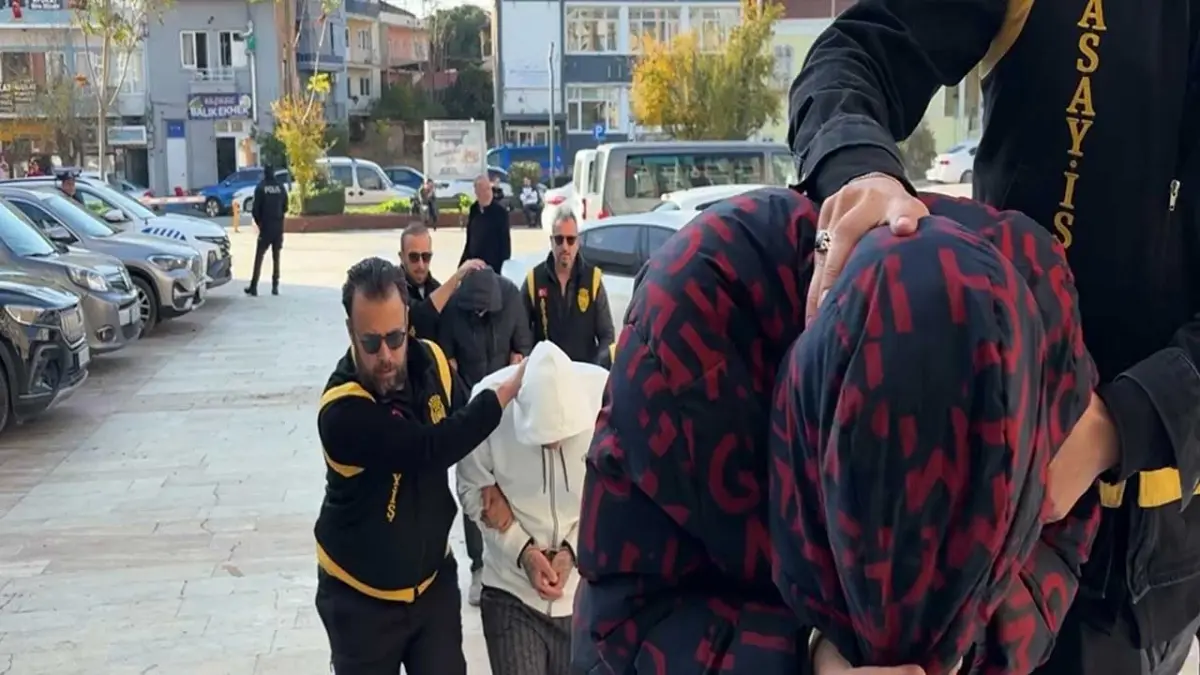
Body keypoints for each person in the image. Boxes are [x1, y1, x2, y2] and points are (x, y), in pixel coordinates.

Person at [787, 4, 1200, 673]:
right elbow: (854, 55)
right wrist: (862, 172)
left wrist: (1114, 426)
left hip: (1154, 561)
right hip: (980, 516)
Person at [571, 188, 1100, 675]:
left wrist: (964, 655)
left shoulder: (1042, 322)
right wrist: (809, 658)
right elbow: (624, 610)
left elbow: (1056, 546)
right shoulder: (689, 330)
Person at [314, 256, 525, 675]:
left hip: (432, 588)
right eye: (371, 343)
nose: (386, 355)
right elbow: (428, 448)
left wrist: (496, 486)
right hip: (359, 600)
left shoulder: (431, 363)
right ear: (351, 332)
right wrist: (503, 393)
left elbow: (469, 432)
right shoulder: (342, 412)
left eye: (395, 338)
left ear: (407, 323)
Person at [457, 341, 607, 675]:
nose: (554, 446)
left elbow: (618, 495)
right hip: (511, 591)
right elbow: (469, 487)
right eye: (541, 440)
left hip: (583, 594)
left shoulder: (603, 395)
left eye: (563, 437)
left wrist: (574, 551)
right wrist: (521, 549)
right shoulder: (491, 401)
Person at [520, 206, 614, 363]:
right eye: (559, 239)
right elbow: (521, 334)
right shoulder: (534, 280)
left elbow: (607, 334)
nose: (565, 246)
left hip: (583, 372)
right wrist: (529, 362)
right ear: (551, 241)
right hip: (546, 372)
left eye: (570, 240)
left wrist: (598, 364)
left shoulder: (593, 280)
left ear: (578, 242)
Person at [438, 267, 532, 389]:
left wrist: (517, 363)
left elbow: (523, 344)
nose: (479, 314)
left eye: (482, 310)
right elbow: (446, 354)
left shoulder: (511, 298)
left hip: (504, 387)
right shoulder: (452, 307)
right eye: (476, 311)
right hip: (468, 389)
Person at [398, 222, 485, 340]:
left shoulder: (434, 287)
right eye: (414, 257)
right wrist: (456, 278)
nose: (421, 265)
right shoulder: (394, 288)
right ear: (402, 257)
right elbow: (420, 316)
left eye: (426, 257)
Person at [245, 163, 289, 297]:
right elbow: (285, 207)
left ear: (264, 173)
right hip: (278, 227)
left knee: (259, 257)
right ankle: (275, 286)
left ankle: (254, 286)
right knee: (276, 257)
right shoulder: (280, 187)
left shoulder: (261, 187)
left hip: (266, 227)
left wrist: (260, 223)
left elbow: (255, 210)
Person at [460, 175, 511, 273]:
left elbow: (505, 244)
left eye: (488, 189)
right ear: (476, 192)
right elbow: (470, 239)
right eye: (483, 190)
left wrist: (503, 267)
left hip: (493, 266)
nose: (487, 193)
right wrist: (463, 263)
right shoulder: (474, 209)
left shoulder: (500, 212)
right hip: (474, 264)